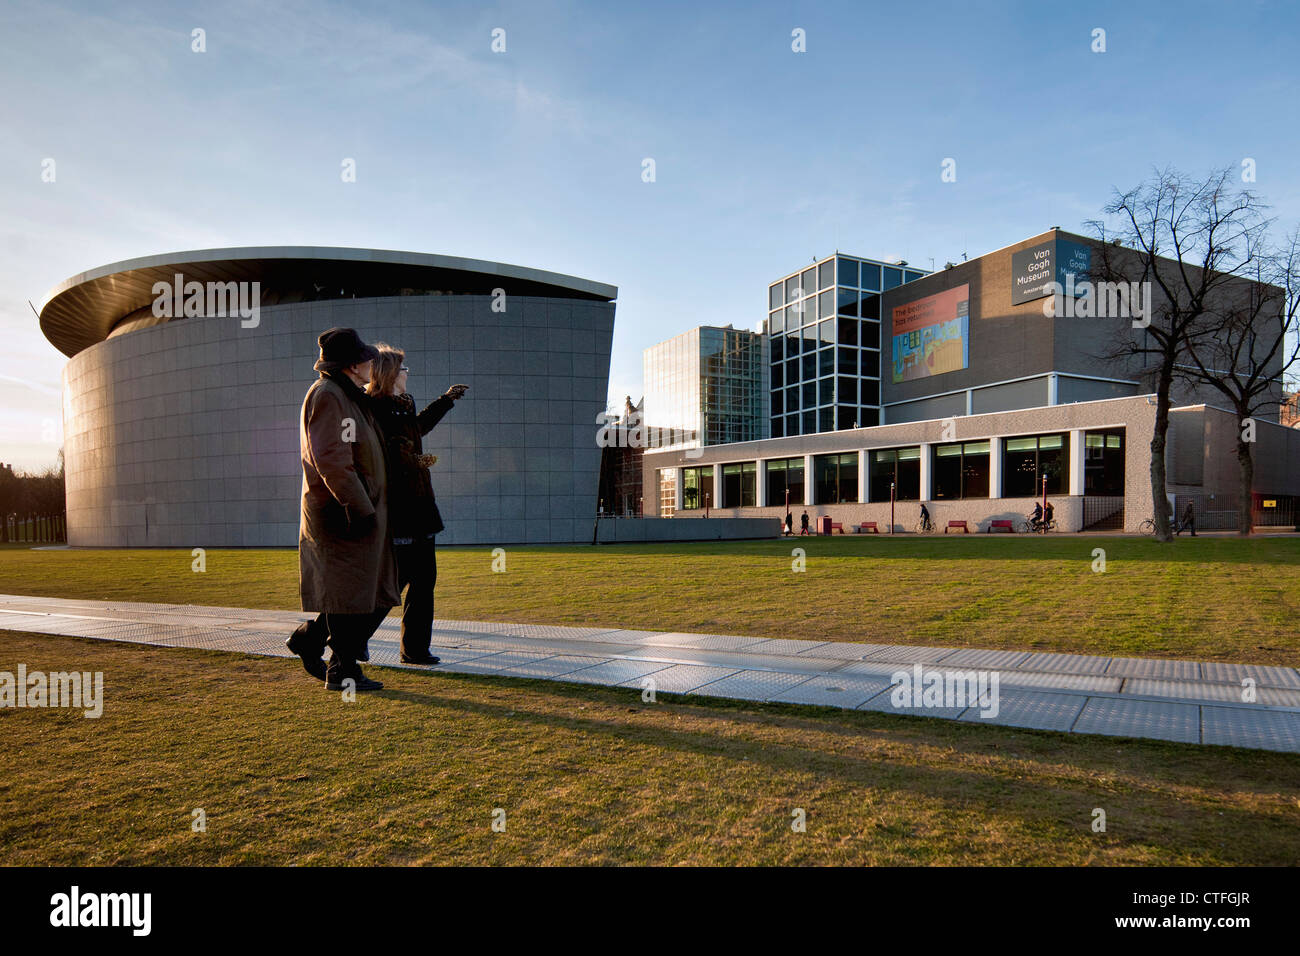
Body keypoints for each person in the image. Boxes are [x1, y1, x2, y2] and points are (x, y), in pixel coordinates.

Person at [286, 328, 399, 692]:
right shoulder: (328, 395)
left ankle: (317, 645)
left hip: (355, 510)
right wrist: (359, 506)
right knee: (349, 593)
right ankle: (342, 670)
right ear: (352, 364)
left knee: (357, 591)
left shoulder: (346, 394)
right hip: (342, 514)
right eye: (367, 358)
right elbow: (331, 459)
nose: (372, 363)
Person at [364, 344, 468, 665]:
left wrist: (446, 401)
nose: (407, 373)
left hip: (421, 503)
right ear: (391, 375)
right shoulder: (374, 407)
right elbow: (384, 456)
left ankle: (415, 650)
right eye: (403, 369)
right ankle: (351, 637)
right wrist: (415, 460)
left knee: (424, 580)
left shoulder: (404, 404)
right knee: (397, 581)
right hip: (399, 506)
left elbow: (418, 429)